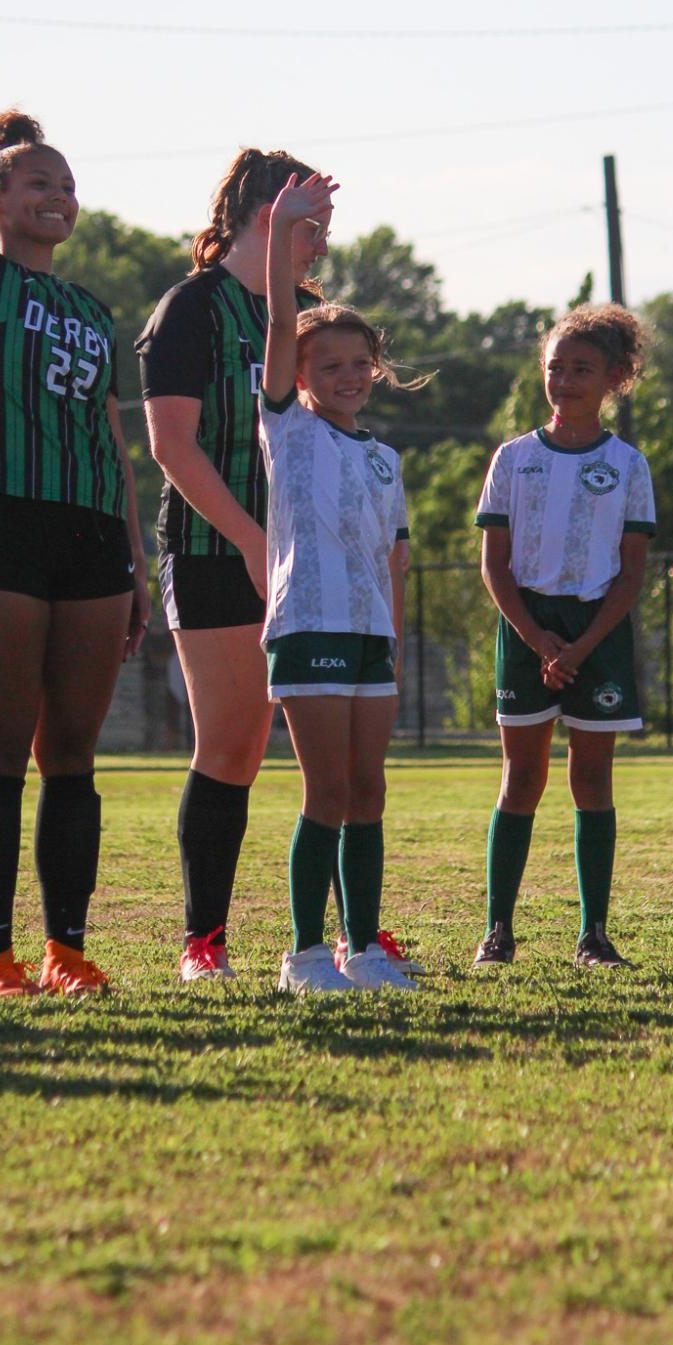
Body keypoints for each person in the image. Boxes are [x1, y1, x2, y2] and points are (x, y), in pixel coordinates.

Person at [0, 0, 150, 1001]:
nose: (51, 192)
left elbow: (110, 439)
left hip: (91, 537)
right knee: (0, 749)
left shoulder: (90, 308)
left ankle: (65, 947)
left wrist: (135, 560)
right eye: (28, 180)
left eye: (62, 180)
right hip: (2, 522)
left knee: (75, 752)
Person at [137, 147, 328, 981]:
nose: (318, 244)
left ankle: (346, 931)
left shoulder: (305, 314)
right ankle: (202, 940)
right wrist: (253, 537)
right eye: (310, 225)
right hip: (216, 550)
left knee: (334, 745)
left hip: (306, 557)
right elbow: (170, 443)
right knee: (233, 745)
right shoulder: (192, 308)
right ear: (267, 213)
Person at [259, 174, 422, 996]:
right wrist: (290, 232)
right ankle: (305, 955)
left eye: (362, 362)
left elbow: (394, 557)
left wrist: (391, 638)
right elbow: (283, 318)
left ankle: (364, 947)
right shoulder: (285, 425)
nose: (350, 374)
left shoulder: (384, 458)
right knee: (324, 790)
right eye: (332, 362)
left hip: (369, 637)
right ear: (299, 369)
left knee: (368, 789)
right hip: (308, 626)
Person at [472, 303, 655, 969]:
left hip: (597, 631)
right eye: (556, 366)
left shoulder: (628, 465)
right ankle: (497, 931)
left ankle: (594, 934)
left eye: (583, 368)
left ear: (615, 376)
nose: (566, 379)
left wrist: (578, 646)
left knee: (592, 778)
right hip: (527, 625)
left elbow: (631, 573)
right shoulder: (514, 459)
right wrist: (539, 638)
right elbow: (494, 563)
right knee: (521, 776)